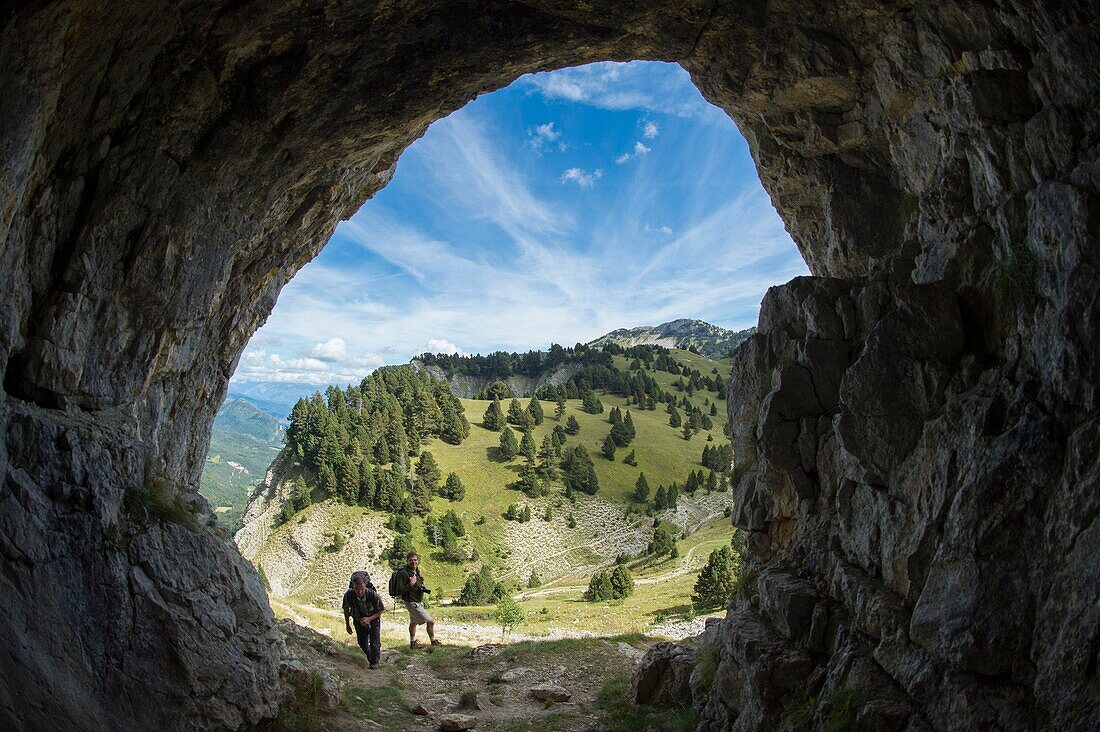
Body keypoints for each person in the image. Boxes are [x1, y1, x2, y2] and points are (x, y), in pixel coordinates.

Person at [394, 552, 440, 649]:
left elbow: (418, 585)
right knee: (431, 621)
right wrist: (410, 584)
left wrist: (421, 579)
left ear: (418, 561)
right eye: (411, 560)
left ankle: (413, 643)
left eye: (415, 560)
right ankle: (433, 641)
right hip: (412, 602)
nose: (413, 562)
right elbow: (399, 591)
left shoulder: (417, 571)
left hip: (417, 601)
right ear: (407, 561)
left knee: (413, 622)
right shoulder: (403, 573)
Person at [343, 574, 384, 669]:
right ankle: (370, 656)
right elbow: (346, 609)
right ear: (353, 587)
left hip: (373, 619)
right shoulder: (349, 595)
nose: (360, 592)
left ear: (365, 586)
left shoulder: (372, 594)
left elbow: (381, 609)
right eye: (357, 589)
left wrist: (369, 619)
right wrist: (347, 624)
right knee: (361, 642)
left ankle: (374, 662)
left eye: (362, 589)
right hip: (358, 620)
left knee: (375, 643)